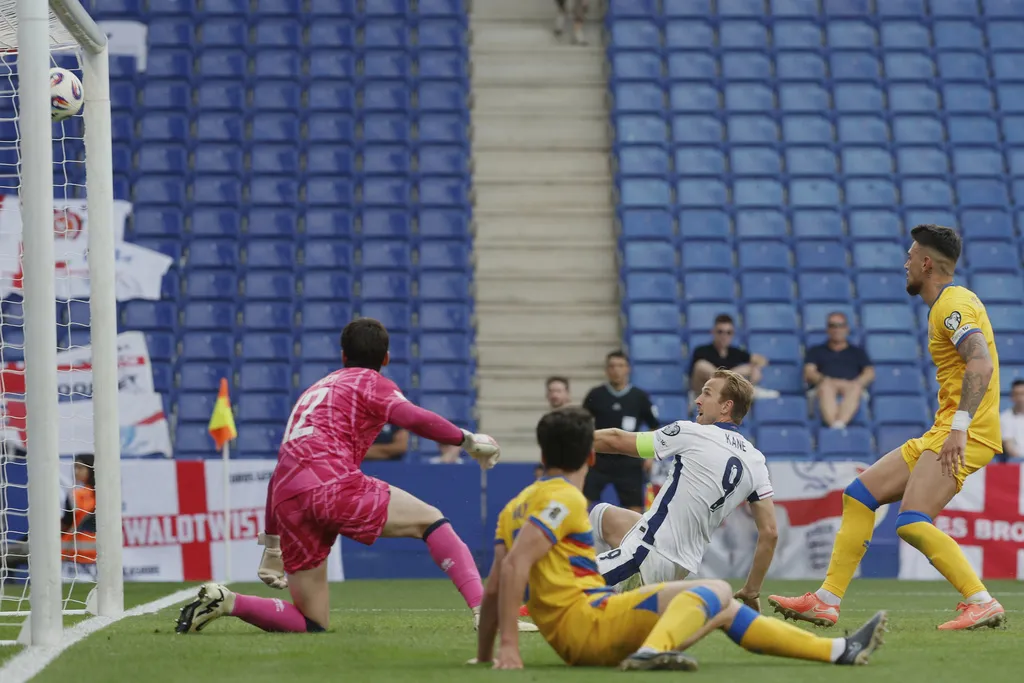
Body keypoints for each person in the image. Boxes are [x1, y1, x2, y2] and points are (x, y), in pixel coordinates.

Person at [175, 318, 537, 635]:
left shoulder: (312, 392)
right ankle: (485, 613)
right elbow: (410, 417)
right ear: (386, 359)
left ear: (343, 355)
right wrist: (467, 440)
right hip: (333, 483)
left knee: (312, 620)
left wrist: (272, 544)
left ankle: (227, 601)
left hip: (289, 499)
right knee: (433, 523)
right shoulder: (370, 382)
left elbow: (283, 469)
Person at [473, 406, 888, 670]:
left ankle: (837, 651)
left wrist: (488, 651)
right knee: (714, 589)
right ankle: (653, 652)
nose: (698, 399)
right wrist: (509, 647)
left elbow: (495, 582)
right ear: (590, 457)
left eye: (707, 393)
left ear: (543, 457)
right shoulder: (564, 498)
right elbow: (514, 567)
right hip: (588, 626)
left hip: (588, 620)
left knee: (723, 608)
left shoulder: (516, 506)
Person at [769, 225, 1007, 631]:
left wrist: (960, 429)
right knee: (860, 495)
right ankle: (826, 601)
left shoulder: (954, 305)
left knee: (912, 520)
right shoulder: (947, 305)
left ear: (927, 263)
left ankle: (981, 600)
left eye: (911, 256)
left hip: (964, 433)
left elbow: (979, 363)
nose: (906, 263)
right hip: (944, 429)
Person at [587, 370, 778, 613]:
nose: (698, 400)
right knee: (602, 515)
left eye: (707, 393)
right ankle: (610, 596)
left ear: (725, 407)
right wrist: (751, 589)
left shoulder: (693, 433)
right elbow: (770, 533)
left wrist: (570, 438)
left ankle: (597, 598)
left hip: (647, 553)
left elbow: (616, 440)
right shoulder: (756, 461)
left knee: (558, 585)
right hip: (679, 568)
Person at [583, 351, 659, 513]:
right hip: (598, 460)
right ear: (606, 370)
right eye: (612, 366)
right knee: (581, 502)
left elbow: (654, 427)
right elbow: (583, 425)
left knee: (635, 510)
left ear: (628, 369)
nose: (616, 370)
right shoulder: (595, 395)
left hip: (629, 460)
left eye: (620, 365)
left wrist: (650, 456)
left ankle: (636, 538)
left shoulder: (639, 397)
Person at [804, 311, 875, 429]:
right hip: (825, 385)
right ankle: (836, 426)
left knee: (856, 387)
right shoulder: (816, 351)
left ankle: (838, 425)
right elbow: (809, 372)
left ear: (846, 329)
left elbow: (869, 372)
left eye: (840, 326)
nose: (836, 330)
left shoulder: (857, 352)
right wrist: (825, 380)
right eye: (832, 326)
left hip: (850, 385)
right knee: (826, 387)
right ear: (827, 329)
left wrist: (857, 382)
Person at [689, 314, 770, 397]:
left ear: (733, 334)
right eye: (720, 332)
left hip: (727, 395)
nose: (724, 336)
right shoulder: (701, 351)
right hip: (703, 394)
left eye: (728, 332)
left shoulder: (735, 352)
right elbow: (694, 376)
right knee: (701, 366)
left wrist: (755, 367)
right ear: (713, 332)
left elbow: (762, 360)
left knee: (750, 369)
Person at [998, 379, 1024, 462]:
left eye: (1022, 394)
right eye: (1016, 394)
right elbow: (1009, 447)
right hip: (1016, 464)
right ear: (1012, 396)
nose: (1020, 398)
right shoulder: (1004, 418)